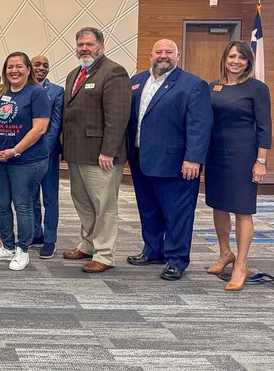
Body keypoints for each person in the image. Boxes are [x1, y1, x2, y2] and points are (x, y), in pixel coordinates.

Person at [126, 39, 213, 281]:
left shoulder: (193, 85)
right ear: (150, 56)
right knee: (148, 209)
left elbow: (200, 125)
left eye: (169, 52)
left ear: (178, 56)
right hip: (140, 159)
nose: (163, 56)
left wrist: (193, 159)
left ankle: (177, 259)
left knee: (177, 214)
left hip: (176, 164)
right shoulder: (136, 81)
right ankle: (153, 250)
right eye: (159, 52)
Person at [62, 27, 131, 273]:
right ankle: (88, 244)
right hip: (76, 152)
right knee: (83, 202)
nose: (84, 48)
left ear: (101, 46)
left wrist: (109, 151)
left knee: (104, 205)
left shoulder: (113, 72)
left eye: (89, 44)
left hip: (101, 155)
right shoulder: (75, 73)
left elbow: (118, 117)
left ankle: (104, 254)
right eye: (80, 44)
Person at [205, 40, 271, 291]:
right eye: (232, 56)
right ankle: (225, 254)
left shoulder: (257, 88)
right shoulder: (214, 86)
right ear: (225, 58)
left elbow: (264, 126)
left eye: (241, 58)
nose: (236, 61)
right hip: (216, 154)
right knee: (218, 205)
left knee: (242, 210)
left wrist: (261, 161)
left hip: (243, 156)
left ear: (248, 62)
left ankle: (241, 265)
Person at [0, 52, 50, 270]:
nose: (14, 71)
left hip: (27, 160)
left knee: (23, 205)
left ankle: (23, 250)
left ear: (28, 69)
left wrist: (14, 150)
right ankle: (7, 246)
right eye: (10, 67)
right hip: (0, 159)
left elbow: (39, 129)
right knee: (0, 203)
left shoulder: (37, 93)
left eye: (19, 66)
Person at [30, 54, 63, 259]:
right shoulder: (23, 89)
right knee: (30, 196)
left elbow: (56, 124)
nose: (41, 68)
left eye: (45, 65)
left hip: (48, 153)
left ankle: (50, 239)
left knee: (50, 198)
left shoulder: (57, 91)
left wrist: (43, 149)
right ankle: (36, 233)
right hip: (25, 154)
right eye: (37, 64)